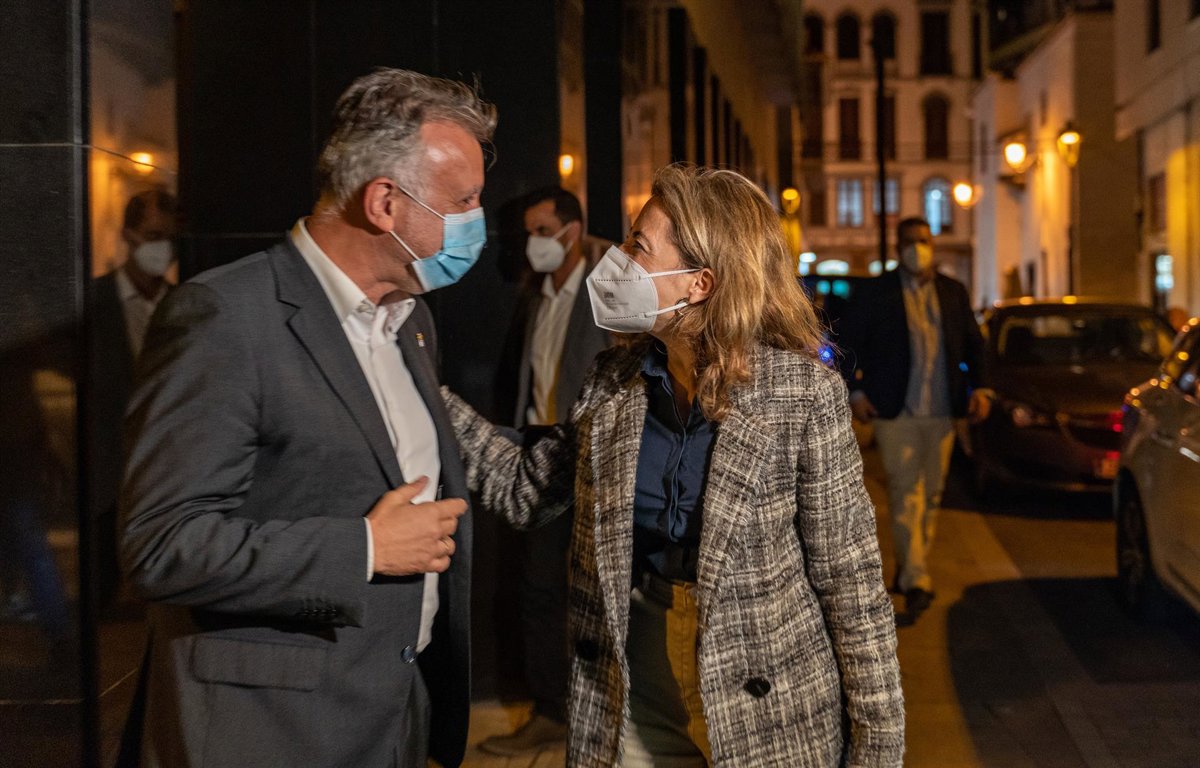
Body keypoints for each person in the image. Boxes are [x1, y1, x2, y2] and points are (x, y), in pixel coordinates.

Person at [445, 164, 905, 766]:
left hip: (767, 708)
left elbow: (852, 585)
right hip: (637, 683)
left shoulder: (802, 395)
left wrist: (877, 748)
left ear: (700, 283)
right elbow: (526, 487)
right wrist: (419, 391)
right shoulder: (613, 383)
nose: (617, 258)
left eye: (638, 245)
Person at [117, 68, 494, 768]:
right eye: (464, 200)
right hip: (269, 731)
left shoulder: (411, 321)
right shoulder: (226, 317)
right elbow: (161, 545)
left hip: (391, 713)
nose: (478, 220)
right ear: (384, 202)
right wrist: (366, 549)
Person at [480, 187, 611, 756]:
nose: (532, 244)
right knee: (538, 589)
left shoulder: (607, 290)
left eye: (541, 231)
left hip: (592, 457)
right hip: (539, 455)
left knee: (599, 591)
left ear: (570, 231)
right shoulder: (536, 295)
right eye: (528, 233)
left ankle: (604, 711)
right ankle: (552, 711)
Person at [835, 216, 991, 623]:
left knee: (933, 493)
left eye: (922, 240)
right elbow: (848, 344)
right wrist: (856, 392)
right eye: (908, 241)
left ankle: (909, 567)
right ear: (897, 247)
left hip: (941, 411)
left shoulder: (952, 292)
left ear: (932, 244)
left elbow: (974, 345)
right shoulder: (877, 292)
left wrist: (982, 389)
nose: (915, 248)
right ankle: (917, 579)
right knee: (906, 493)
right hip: (895, 411)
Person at [90, 189, 178, 611]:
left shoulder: (186, 302)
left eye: (171, 238)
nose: (163, 249)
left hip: (168, 471)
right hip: (107, 473)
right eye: (154, 235)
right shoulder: (93, 302)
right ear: (129, 235)